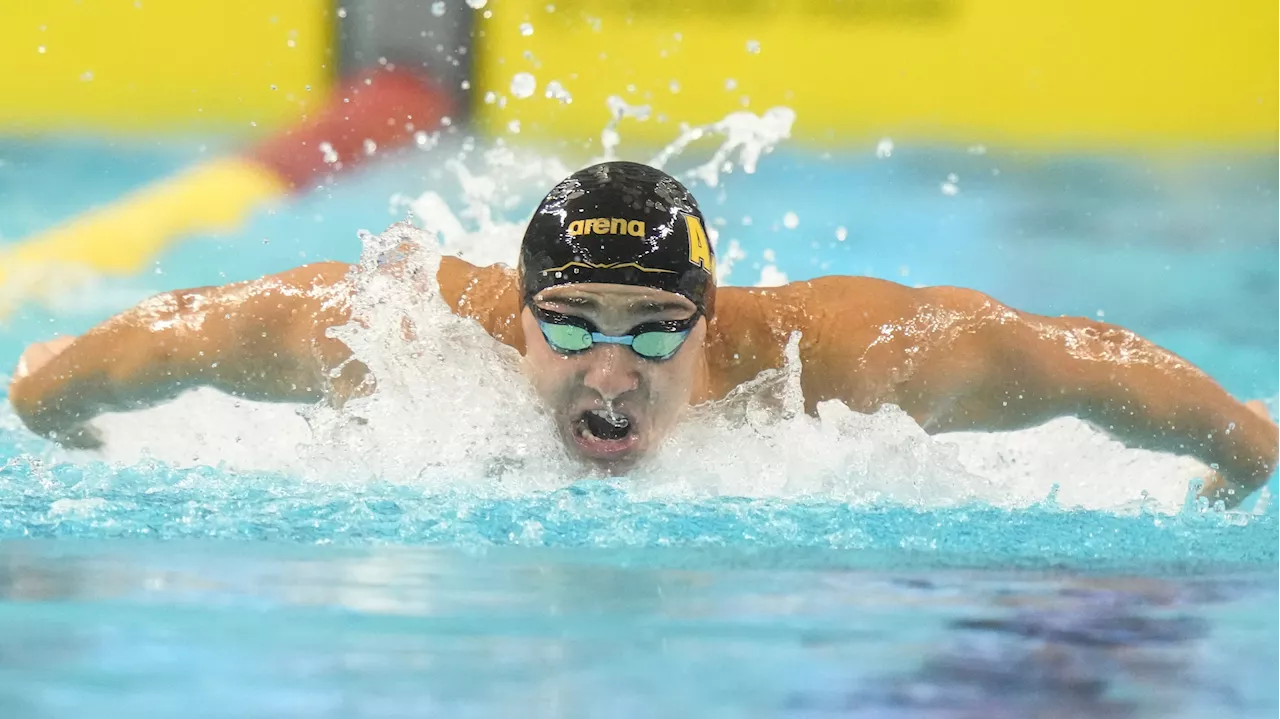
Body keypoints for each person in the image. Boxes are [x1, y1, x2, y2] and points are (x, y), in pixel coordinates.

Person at [7, 162, 1277, 506]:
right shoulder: (394, 335)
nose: (608, 368)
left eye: (652, 331)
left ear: (708, 320)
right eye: (568, 320)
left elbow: (1072, 361)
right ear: (517, 307)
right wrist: (58, 415)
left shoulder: (839, 367)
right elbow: (157, 338)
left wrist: (1242, 449)